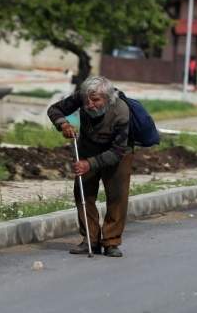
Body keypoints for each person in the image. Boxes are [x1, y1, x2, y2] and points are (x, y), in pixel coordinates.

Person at [47, 76, 133, 257]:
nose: (89, 104)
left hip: (118, 152)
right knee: (83, 193)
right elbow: (54, 110)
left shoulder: (121, 112)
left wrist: (90, 164)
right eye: (87, 100)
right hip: (88, 147)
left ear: (108, 99)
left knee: (117, 195)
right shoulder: (83, 96)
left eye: (95, 100)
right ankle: (90, 240)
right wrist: (63, 124)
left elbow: (117, 152)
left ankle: (111, 241)